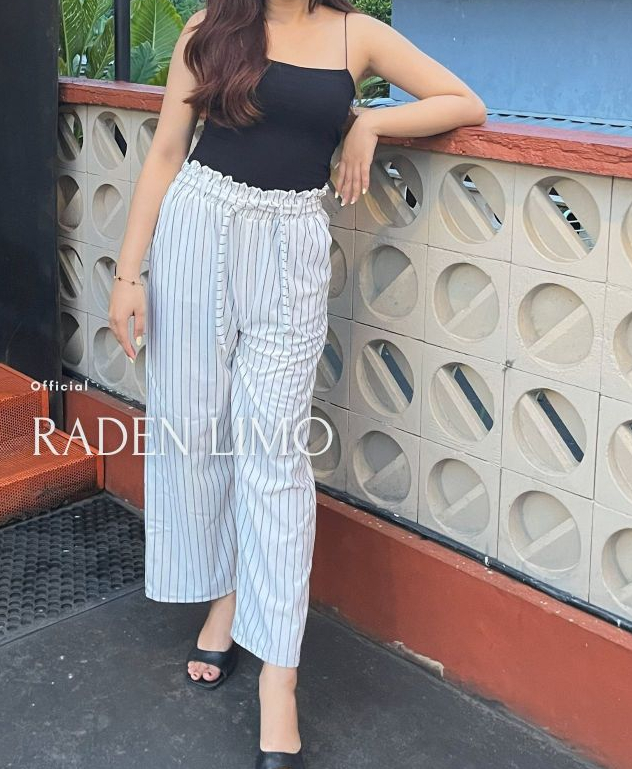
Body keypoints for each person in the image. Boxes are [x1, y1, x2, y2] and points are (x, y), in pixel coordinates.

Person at [108, 2, 486, 767]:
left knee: (275, 457)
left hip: (291, 248)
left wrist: (370, 121)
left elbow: (462, 101)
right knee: (197, 433)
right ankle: (226, 595)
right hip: (196, 231)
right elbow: (167, 151)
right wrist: (126, 274)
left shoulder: (357, 34)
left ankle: (278, 677)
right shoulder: (209, 27)